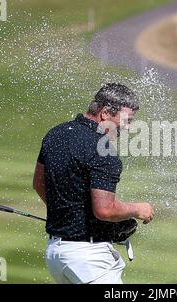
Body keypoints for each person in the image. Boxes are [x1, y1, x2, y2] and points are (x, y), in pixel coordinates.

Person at [33, 83, 155, 284]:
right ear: (106, 113)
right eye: (126, 120)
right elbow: (105, 210)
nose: (129, 127)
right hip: (89, 259)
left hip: (55, 255)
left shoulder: (56, 134)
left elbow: (39, 183)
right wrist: (137, 209)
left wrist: (70, 215)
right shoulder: (103, 151)